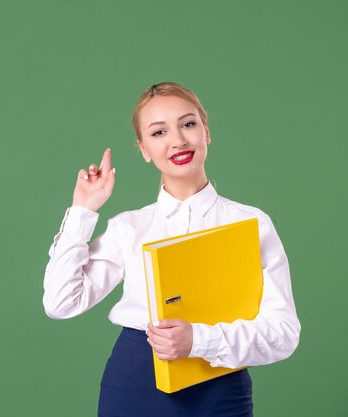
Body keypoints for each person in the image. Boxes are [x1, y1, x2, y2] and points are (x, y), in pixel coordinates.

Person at [42, 82, 301, 417]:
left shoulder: (251, 223)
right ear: (144, 149)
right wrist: (82, 211)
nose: (178, 140)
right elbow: (61, 303)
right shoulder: (128, 227)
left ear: (206, 131)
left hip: (220, 388)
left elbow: (283, 334)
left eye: (188, 124)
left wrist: (198, 341)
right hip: (135, 387)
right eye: (159, 132)